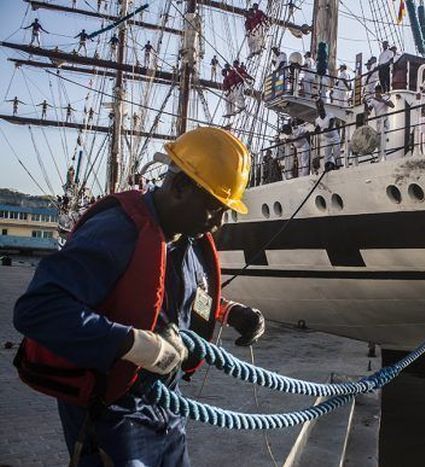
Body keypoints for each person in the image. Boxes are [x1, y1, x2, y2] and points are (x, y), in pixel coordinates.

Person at [13, 127, 265, 466]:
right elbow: (38, 309)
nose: (218, 223)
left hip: (166, 410)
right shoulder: (117, 231)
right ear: (178, 187)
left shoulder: (186, 242)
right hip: (111, 414)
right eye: (214, 208)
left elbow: (182, 299)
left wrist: (229, 312)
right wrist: (132, 344)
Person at [366, 84, 395, 160]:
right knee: (379, 139)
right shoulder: (372, 101)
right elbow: (368, 111)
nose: (377, 93)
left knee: (383, 137)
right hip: (379, 122)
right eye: (376, 92)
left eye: (379, 92)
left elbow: (392, 105)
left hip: (385, 120)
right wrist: (365, 104)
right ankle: (380, 156)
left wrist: (381, 100)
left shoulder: (385, 98)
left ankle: (383, 156)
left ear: (381, 92)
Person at [315, 99, 340, 171]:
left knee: (336, 153)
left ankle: (338, 166)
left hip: (335, 137)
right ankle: (327, 167)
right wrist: (316, 130)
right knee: (327, 154)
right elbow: (318, 127)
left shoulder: (330, 115)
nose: (321, 111)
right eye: (319, 110)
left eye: (322, 109)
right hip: (327, 139)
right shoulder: (317, 120)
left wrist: (328, 128)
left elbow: (331, 124)